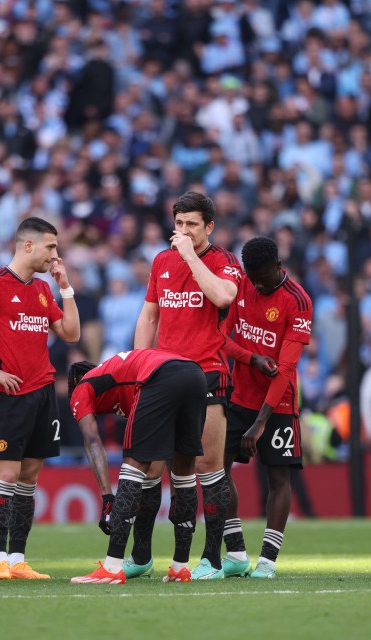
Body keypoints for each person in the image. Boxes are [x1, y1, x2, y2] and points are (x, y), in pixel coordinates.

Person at [0, 217, 81, 580]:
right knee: (7, 475)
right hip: (8, 394)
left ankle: (17, 559)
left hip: (43, 392)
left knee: (29, 478)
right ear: (27, 245)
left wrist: (65, 287)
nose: (54, 255)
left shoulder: (44, 290)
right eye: (50, 247)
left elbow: (72, 333)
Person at [134, 191, 242, 580]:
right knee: (150, 466)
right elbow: (149, 317)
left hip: (207, 373)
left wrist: (190, 256)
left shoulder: (225, 262)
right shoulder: (161, 262)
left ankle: (212, 559)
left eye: (191, 224)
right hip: (162, 374)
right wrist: (137, 366)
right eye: (178, 224)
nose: (182, 231)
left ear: (209, 227)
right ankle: (141, 555)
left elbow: (224, 296)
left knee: (208, 467)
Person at [67, 349, 207, 584]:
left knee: (132, 467)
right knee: (184, 471)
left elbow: (92, 440)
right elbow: (171, 447)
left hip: (160, 375)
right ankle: (180, 567)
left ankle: (112, 567)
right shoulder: (119, 379)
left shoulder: (82, 387)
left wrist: (106, 494)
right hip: (195, 373)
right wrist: (175, 495)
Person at [219, 237, 313, 579]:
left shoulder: (298, 301)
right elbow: (221, 336)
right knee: (216, 469)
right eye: (251, 276)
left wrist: (260, 423)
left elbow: (285, 370)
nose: (256, 283)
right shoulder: (241, 285)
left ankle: (268, 562)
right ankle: (236, 553)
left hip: (278, 404)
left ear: (278, 266)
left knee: (278, 478)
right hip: (238, 396)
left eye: (262, 276)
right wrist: (251, 358)